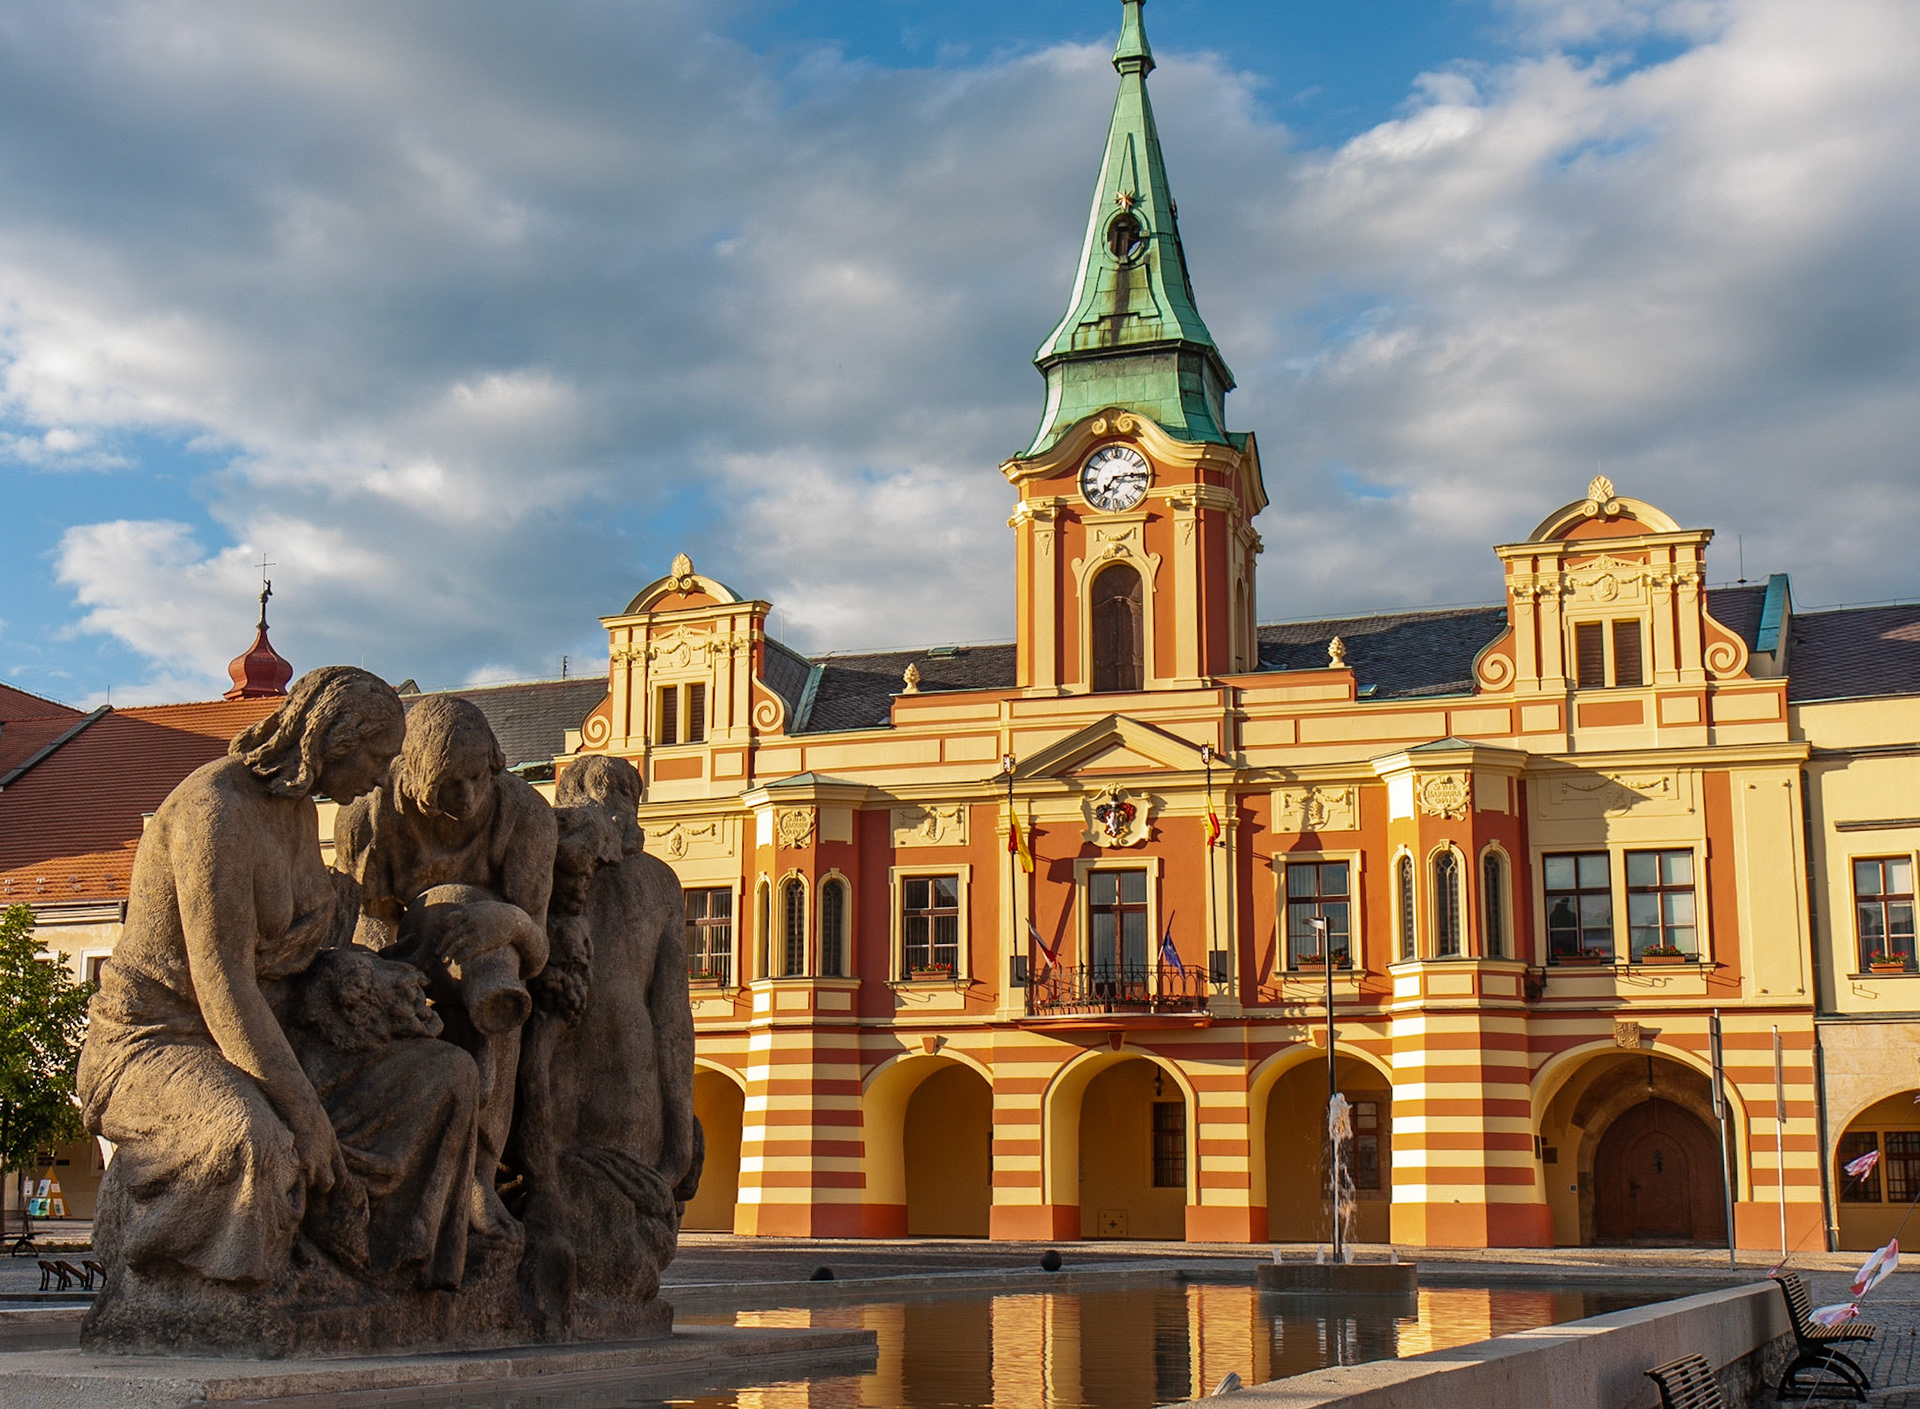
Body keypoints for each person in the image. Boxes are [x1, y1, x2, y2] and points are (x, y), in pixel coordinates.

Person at [78, 666, 482, 1292]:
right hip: (163, 1040)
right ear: (336, 739)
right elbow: (224, 986)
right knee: (253, 1139)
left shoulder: (295, 813)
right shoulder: (216, 809)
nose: (383, 777)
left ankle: (384, 1277)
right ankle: (221, 1296)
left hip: (271, 1033)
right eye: (378, 757)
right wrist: (306, 1115)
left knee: (445, 1076)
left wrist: (371, 978)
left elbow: (299, 959)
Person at [334, 695, 557, 1239]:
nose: (468, 797)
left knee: (500, 999)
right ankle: (381, 1169)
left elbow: (539, 945)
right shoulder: (369, 816)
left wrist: (508, 922)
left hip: (492, 958)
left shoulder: (525, 815)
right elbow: (366, 920)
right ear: (410, 772)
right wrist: (388, 977)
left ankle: (479, 1174)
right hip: (402, 951)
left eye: (478, 777)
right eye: (448, 785)